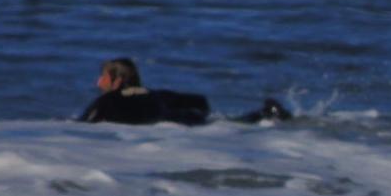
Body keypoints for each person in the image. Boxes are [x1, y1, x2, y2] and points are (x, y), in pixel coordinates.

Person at [78, 58, 291, 126]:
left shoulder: (106, 102)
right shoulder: (157, 94)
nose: (98, 82)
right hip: (183, 122)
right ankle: (265, 113)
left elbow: (84, 125)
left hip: (169, 129)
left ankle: (263, 115)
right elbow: (200, 102)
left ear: (118, 80)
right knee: (232, 122)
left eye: (103, 76)